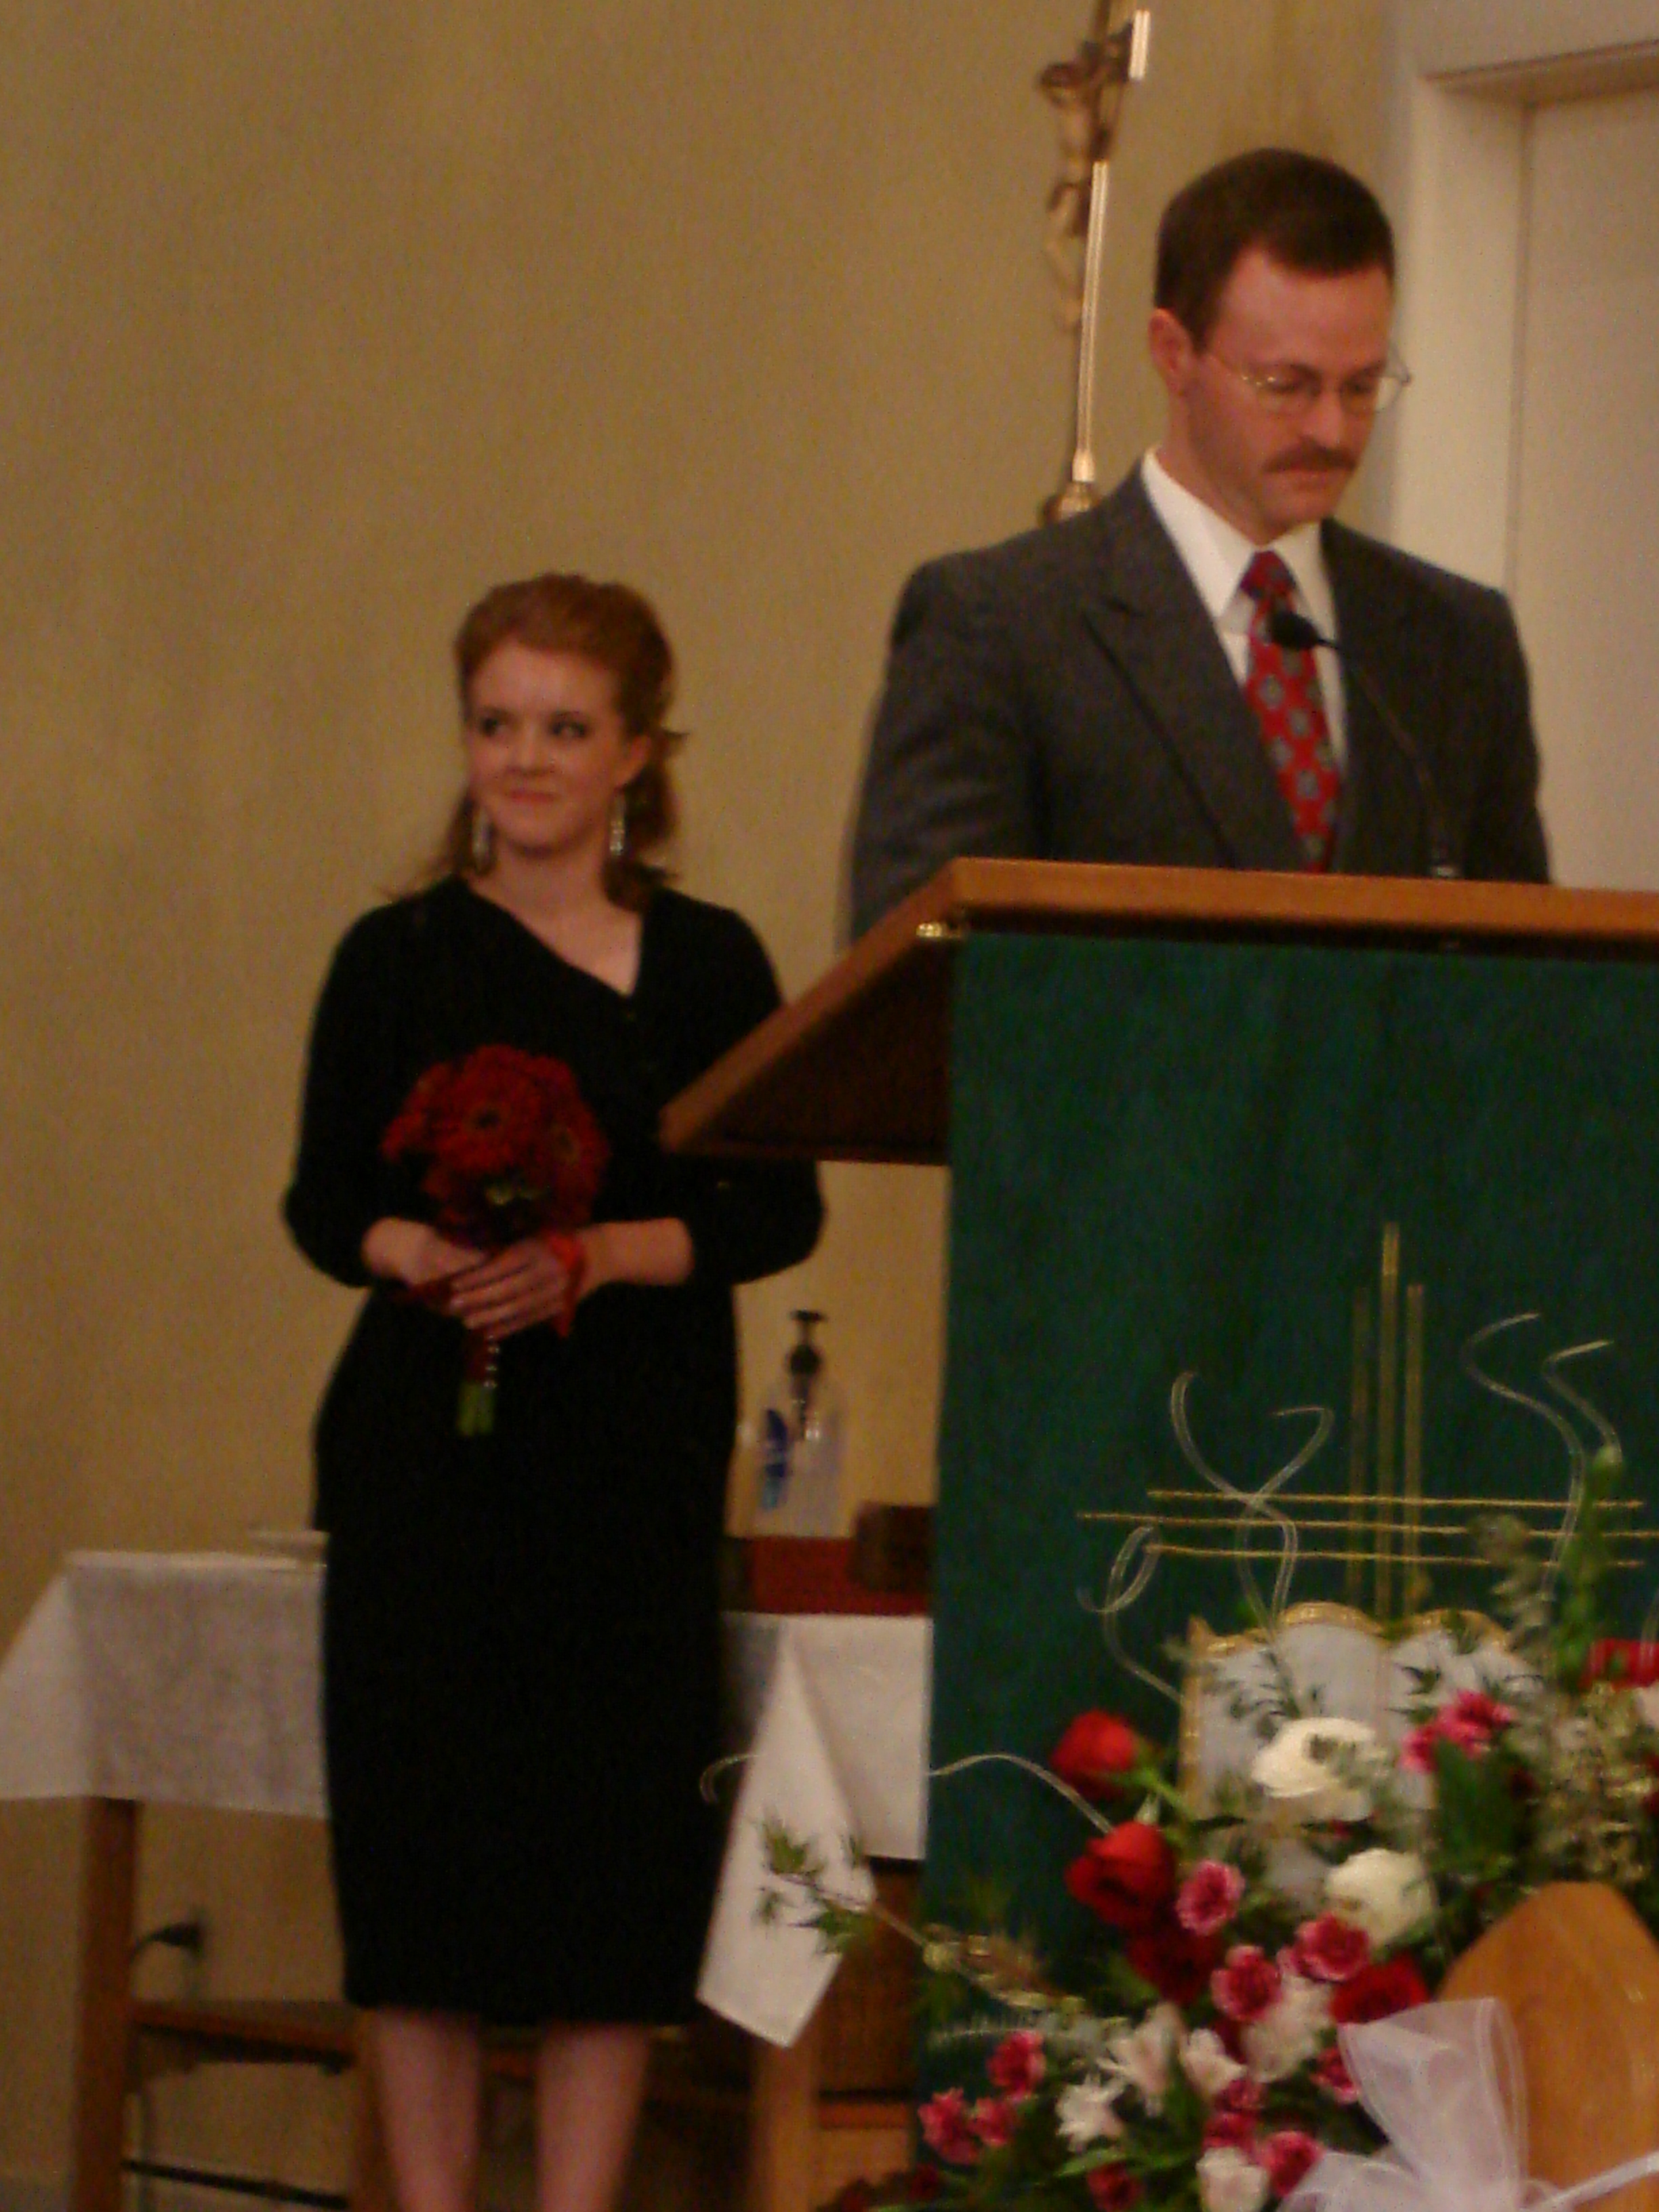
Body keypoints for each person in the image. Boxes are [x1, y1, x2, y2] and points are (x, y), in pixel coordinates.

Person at [283, 573, 823, 2212]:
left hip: (625, 1464)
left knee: (609, 1879)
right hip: (429, 1470)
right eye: (496, 724)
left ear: (636, 753)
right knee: (423, 1879)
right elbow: (322, 1200)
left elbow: (775, 1211)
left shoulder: (709, 961)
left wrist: (594, 1258)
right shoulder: (392, 955)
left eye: (565, 729)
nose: (524, 759)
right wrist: (425, 1255)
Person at [850, 148, 1550, 937]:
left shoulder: (1459, 645)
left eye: (1361, 387)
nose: (1331, 429)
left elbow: (1524, 966)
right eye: (1286, 386)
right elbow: (919, 965)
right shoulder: (1001, 627)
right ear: (1174, 354)